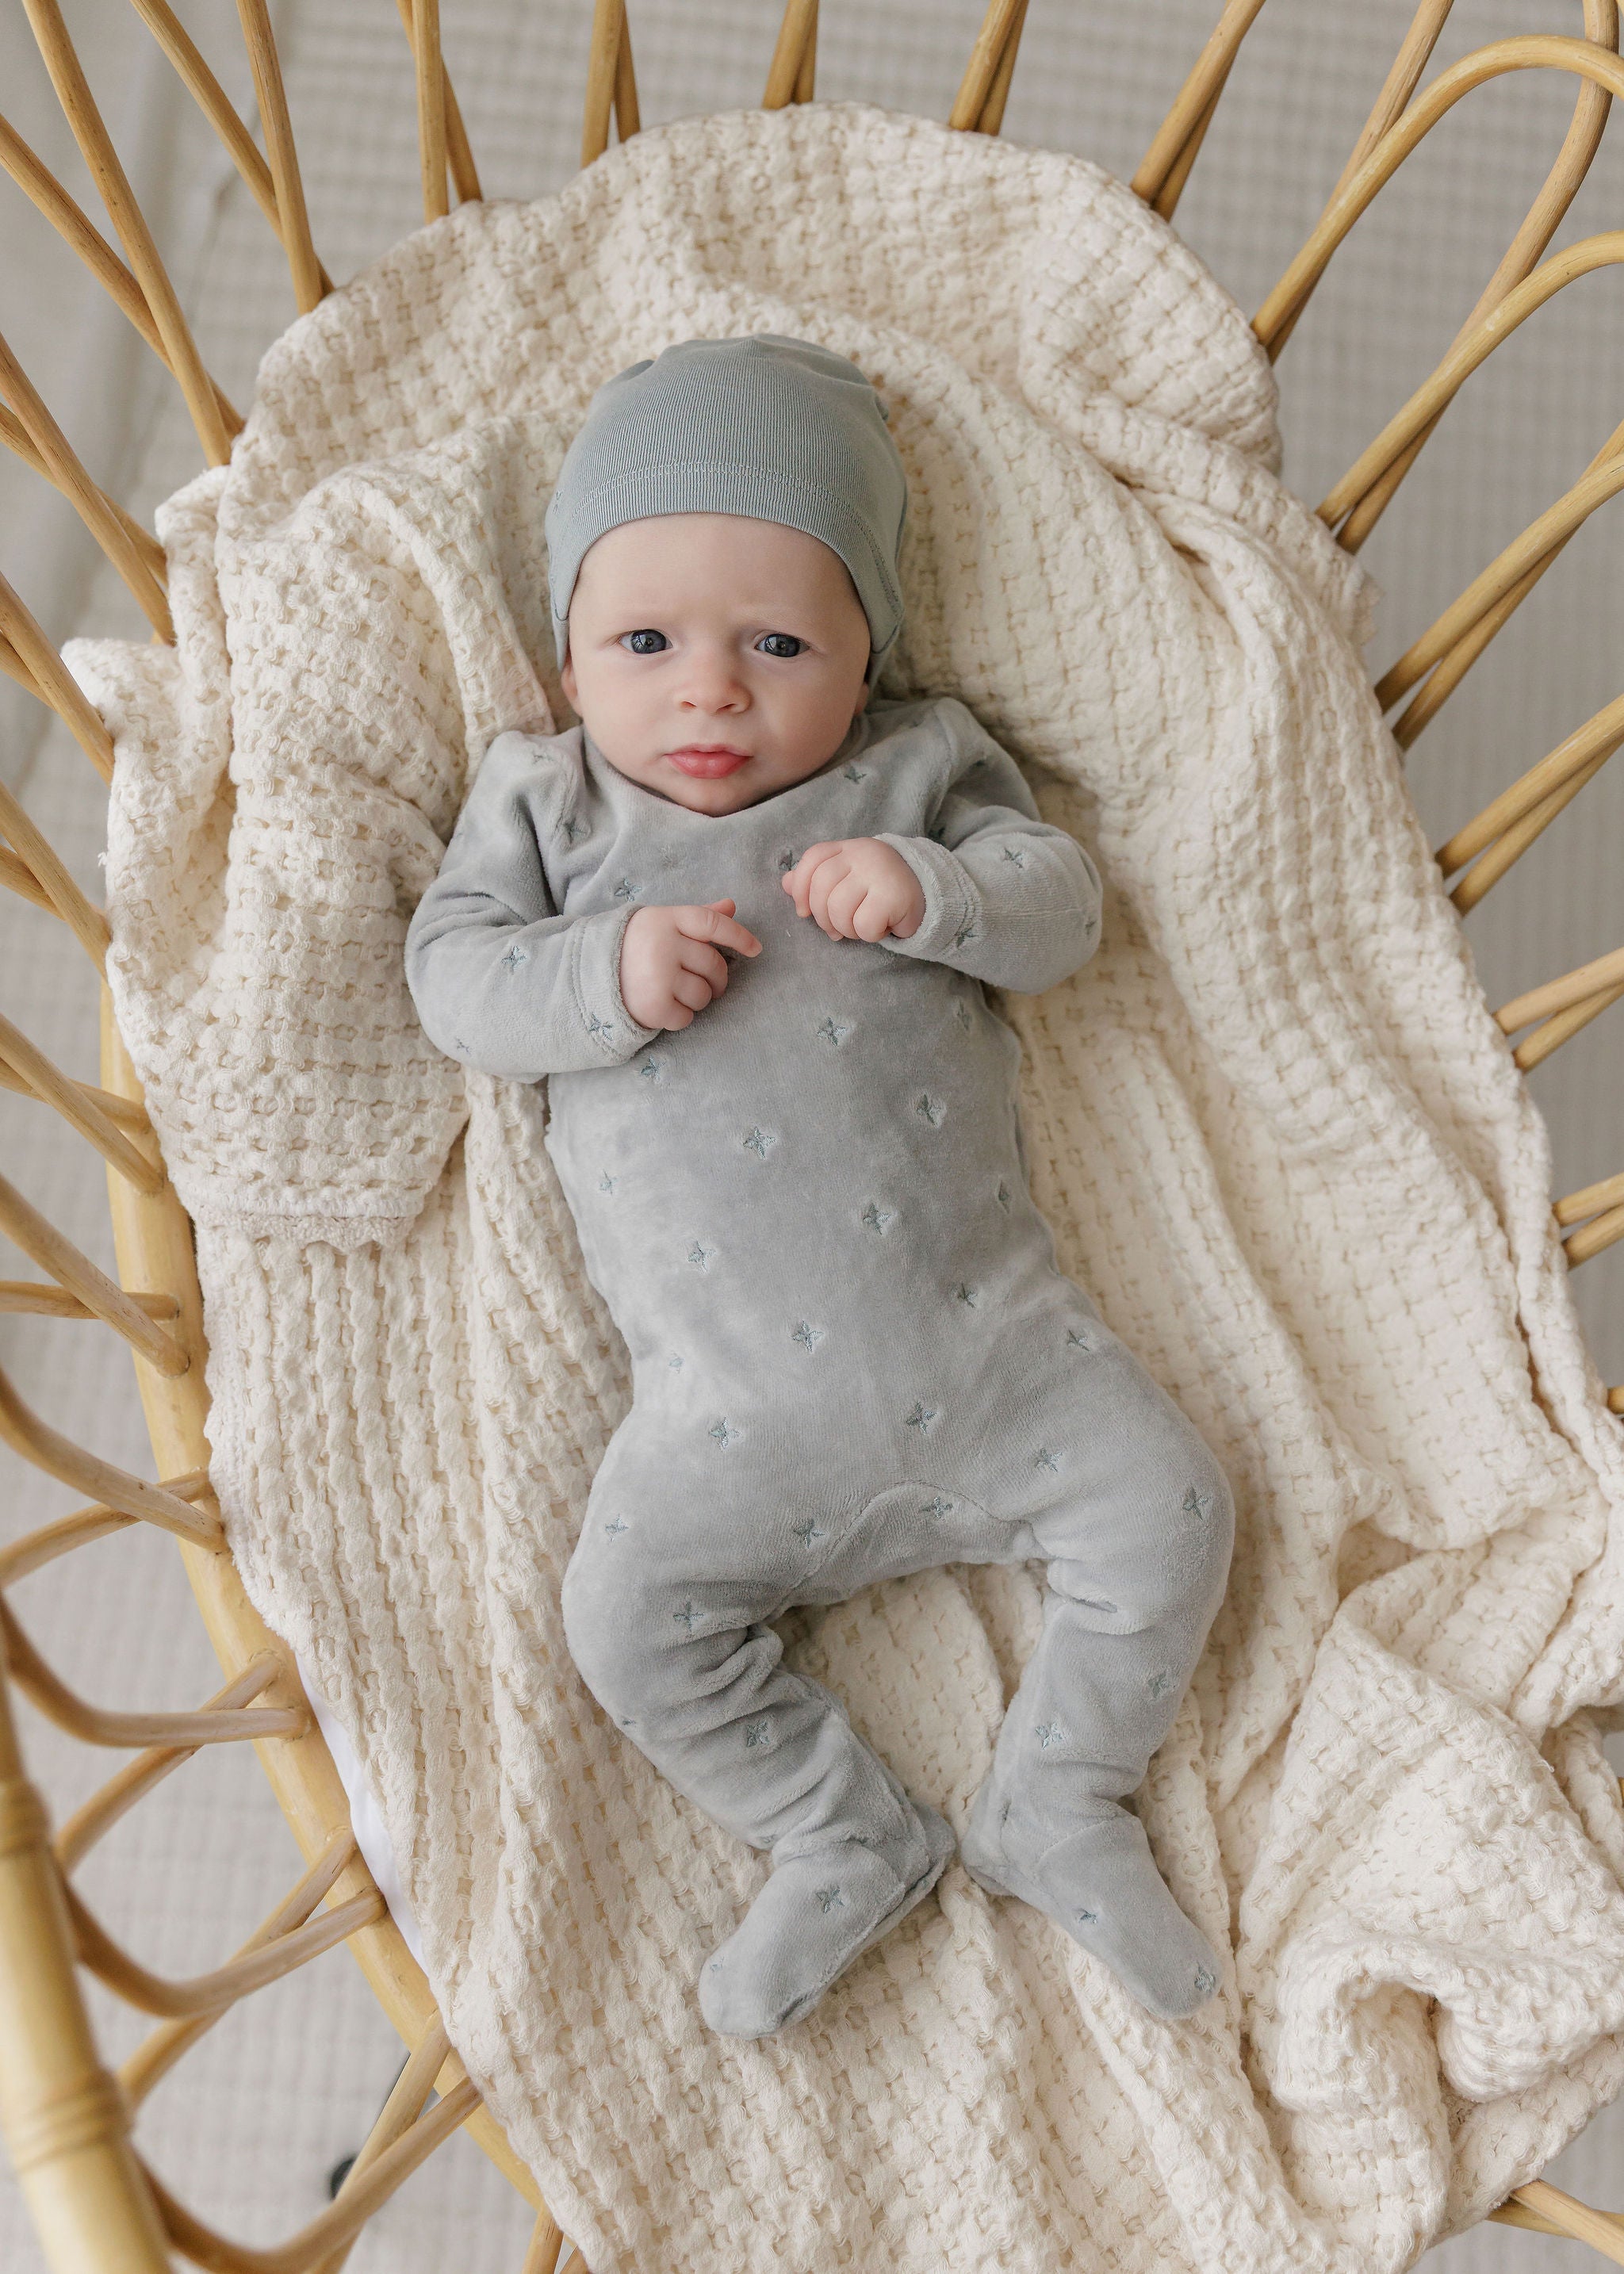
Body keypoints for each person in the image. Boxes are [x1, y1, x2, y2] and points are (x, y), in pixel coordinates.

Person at [405, 335, 1235, 2038]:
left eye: (777, 644)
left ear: (868, 654)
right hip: (722, 1421)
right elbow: (452, 979)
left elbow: (1062, 910)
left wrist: (934, 892)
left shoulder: (917, 769)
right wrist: (599, 972)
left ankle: (1058, 1796)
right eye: (645, 644)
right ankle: (840, 1830)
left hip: (1001, 1356)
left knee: (1174, 1513)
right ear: (566, 659)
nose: (709, 692)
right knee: (623, 1625)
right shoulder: (552, 809)